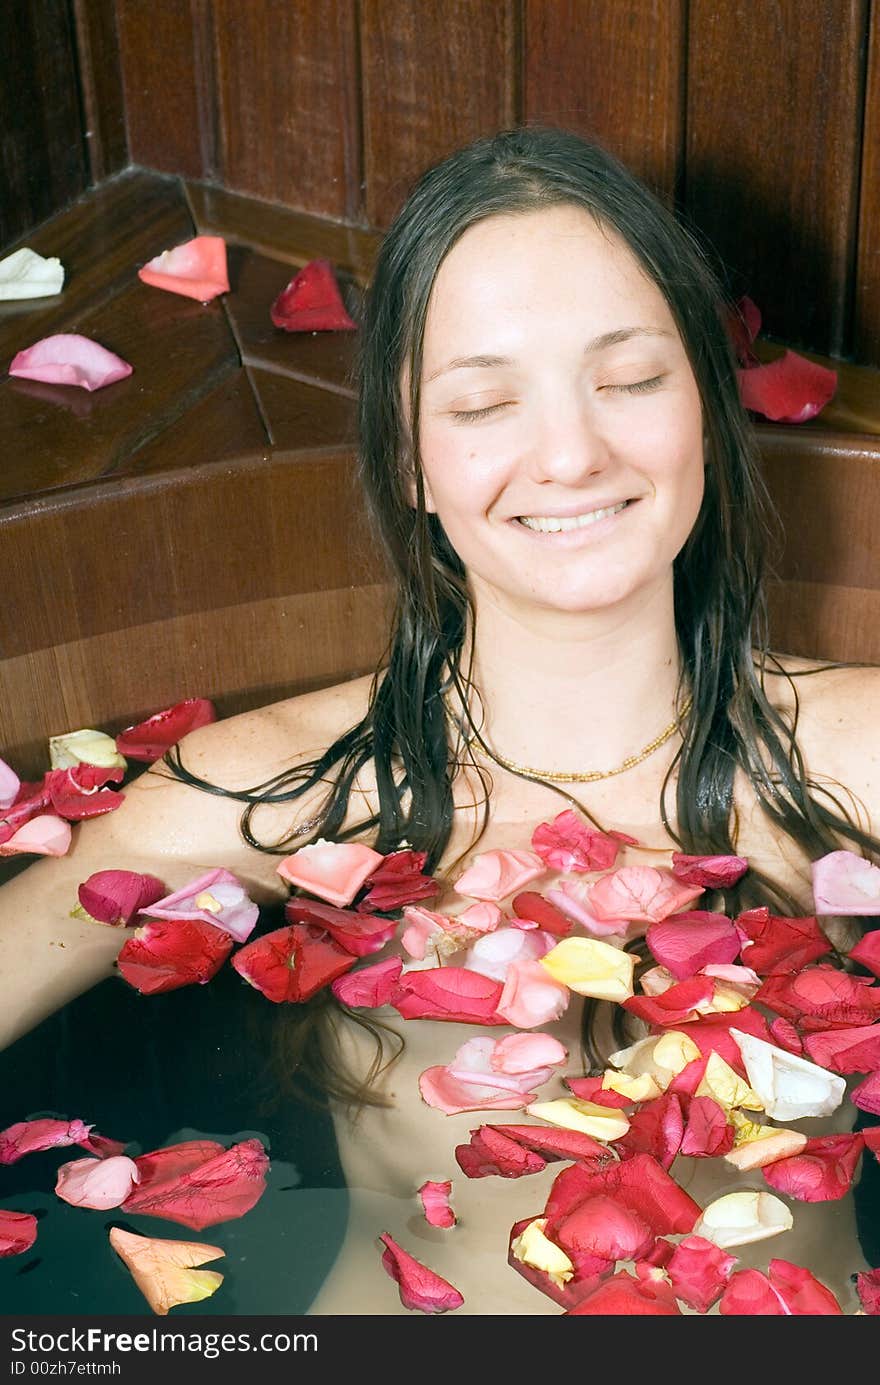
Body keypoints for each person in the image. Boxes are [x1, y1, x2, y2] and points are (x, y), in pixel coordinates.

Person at [1, 126, 878, 1315]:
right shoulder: (274, 792)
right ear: (408, 456)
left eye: (628, 379)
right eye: (482, 402)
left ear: (706, 411)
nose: (571, 452)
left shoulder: (856, 760)